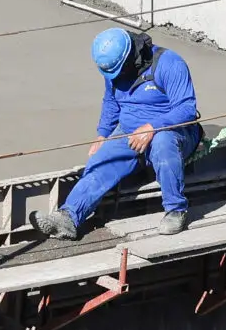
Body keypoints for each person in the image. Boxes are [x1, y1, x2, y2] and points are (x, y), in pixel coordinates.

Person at [34, 28, 200, 240]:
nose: (117, 76)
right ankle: (68, 217)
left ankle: (176, 209)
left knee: (162, 143)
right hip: (129, 132)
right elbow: (111, 102)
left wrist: (152, 127)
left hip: (172, 131)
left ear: (131, 56)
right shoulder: (115, 70)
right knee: (100, 161)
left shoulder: (169, 64)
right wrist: (102, 134)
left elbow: (187, 109)